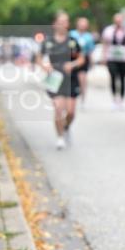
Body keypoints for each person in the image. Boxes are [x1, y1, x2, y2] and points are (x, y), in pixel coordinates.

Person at [38, 12, 86, 150]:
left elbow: (82, 58)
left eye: (66, 21)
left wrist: (73, 65)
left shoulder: (72, 41)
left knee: (71, 112)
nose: (64, 24)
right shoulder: (48, 42)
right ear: (54, 24)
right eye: (61, 21)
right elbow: (39, 57)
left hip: (71, 79)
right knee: (59, 109)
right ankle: (59, 137)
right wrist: (44, 66)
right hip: (55, 79)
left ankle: (65, 127)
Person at [102, 13, 125, 110]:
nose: (118, 22)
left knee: (123, 78)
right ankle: (114, 99)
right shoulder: (108, 31)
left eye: (120, 20)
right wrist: (104, 57)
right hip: (112, 58)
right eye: (117, 20)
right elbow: (105, 45)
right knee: (113, 77)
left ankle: (121, 99)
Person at [70, 17, 97, 106]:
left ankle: (83, 99)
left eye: (85, 24)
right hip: (72, 59)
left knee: (82, 79)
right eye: (81, 23)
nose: (83, 26)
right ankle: (71, 97)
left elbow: (90, 51)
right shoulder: (72, 34)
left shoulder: (88, 37)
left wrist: (92, 62)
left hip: (84, 60)